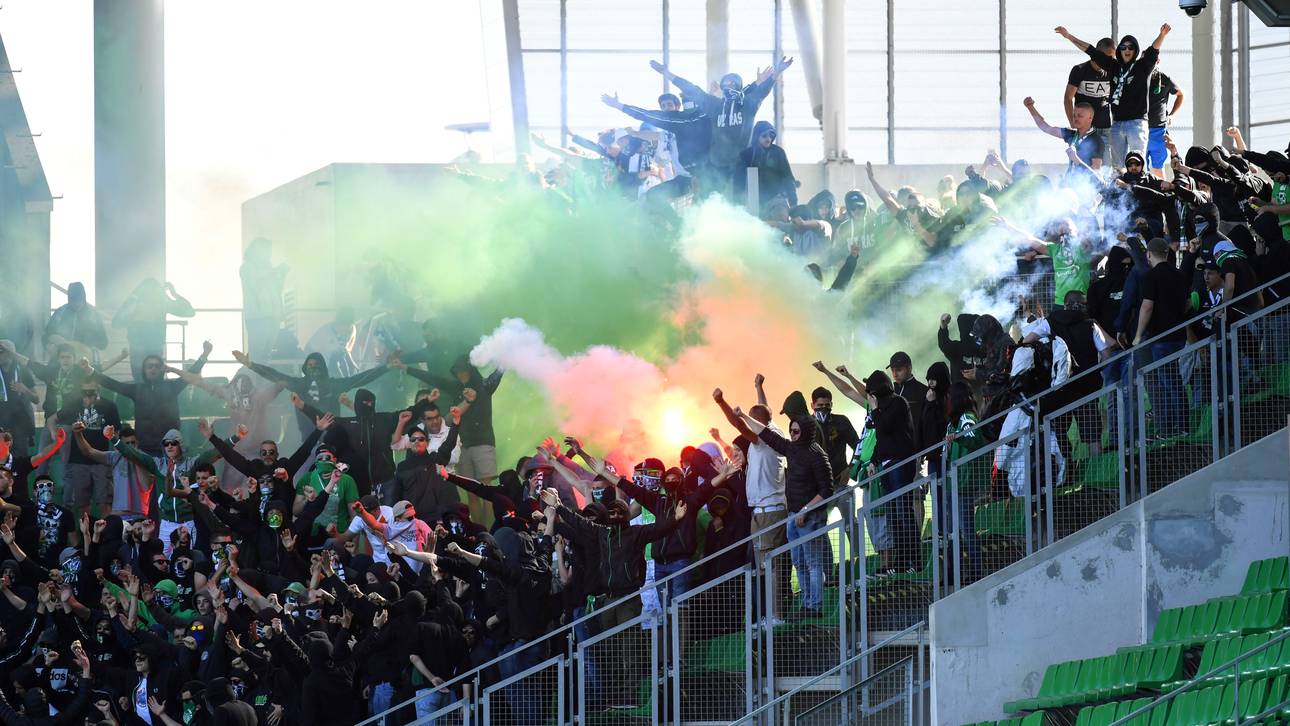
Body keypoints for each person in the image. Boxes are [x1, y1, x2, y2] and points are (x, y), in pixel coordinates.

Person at [725, 390, 832, 618]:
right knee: (799, 562)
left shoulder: (817, 455)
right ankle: (806, 605)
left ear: (806, 431)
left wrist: (807, 509)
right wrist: (754, 395)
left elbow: (827, 490)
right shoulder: (789, 448)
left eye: (796, 431)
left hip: (807, 516)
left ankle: (814, 606)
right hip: (792, 514)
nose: (792, 434)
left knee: (812, 562)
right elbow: (765, 431)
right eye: (791, 430)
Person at [648, 56, 794, 197]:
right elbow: (690, 88)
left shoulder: (747, 105)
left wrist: (776, 72)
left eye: (732, 85)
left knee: (737, 203)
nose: (728, 88)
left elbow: (762, 91)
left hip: (739, 167)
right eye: (725, 85)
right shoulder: (715, 106)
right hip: (717, 167)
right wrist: (666, 73)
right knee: (704, 201)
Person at [1055, 24, 1172, 165]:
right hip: (1116, 124)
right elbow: (1090, 50)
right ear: (1119, 51)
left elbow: (1154, 50)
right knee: (1117, 167)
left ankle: (1139, 180)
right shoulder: (1113, 66)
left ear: (1135, 50)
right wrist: (1068, 36)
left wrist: (1162, 35)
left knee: (1138, 163)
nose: (1127, 50)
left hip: (1136, 123)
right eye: (1124, 47)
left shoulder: (1142, 66)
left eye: (1131, 47)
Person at [232, 348, 392, 439]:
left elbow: (360, 379)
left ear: (323, 367)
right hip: (309, 436)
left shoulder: (334, 384)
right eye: (309, 365)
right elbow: (275, 375)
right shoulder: (299, 384)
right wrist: (250, 364)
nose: (313, 368)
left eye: (316, 365)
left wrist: (387, 367)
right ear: (305, 368)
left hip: (333, 434)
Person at [87, 343, 212, 457]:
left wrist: (204, 355)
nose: (153, 369)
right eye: (150, 366)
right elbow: (113, 385)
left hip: (170, 447)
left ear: (162, 369)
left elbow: (191, 373)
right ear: (144, 370)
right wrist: (90, 371)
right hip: (145, 448)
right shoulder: (137, 389)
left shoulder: (172, 386)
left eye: (157, 366)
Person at [1132, 238, 1191, 439]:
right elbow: (1187, 304)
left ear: (1149, 254)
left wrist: (1138, 335)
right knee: (1174, 380)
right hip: (1178, 335)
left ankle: (1175, 428)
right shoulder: (1180, 274)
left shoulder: (1151, 276)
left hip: (1161, 337)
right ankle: (1177, 426)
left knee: (1168, 383)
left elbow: (1147, 306)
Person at [49, 380, 121, 517]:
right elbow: (51, 419)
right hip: (79, 460)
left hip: (101, 459)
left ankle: (108, 530)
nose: (88, 396)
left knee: (105, 502)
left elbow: (116, 432)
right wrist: (54, 435)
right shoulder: (75, 404)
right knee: (82, 503)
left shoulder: (109, 406)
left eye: (91, 392)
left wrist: (116, 456)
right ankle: (86, 529)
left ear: (98, 389)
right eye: (84, 392)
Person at [112, 279, 196, 380]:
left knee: (142, 382)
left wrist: (132, 301)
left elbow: (116, 323)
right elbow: (189, 311)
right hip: (150, 349)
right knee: (153, 381)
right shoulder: (161, 303)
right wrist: (174, 294)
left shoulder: (138, 303)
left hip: (143, 349)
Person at [1022, 97, 1103, 181]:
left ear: (1090, 118)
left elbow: (1095, 173)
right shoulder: (1072, 134)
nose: (1076, 118)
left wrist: (1076, 160)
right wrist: (1030, 108)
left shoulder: (1096, 141)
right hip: (1070, 183)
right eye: (1074, 115)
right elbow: (1046, 128)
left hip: (1084, 186)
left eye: (1080, 116)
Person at [1065, 37, 1116, 167]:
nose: (1110, 61)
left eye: (1112, 58)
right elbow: (1068, 98)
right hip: (1085, 129)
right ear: (1098, 54)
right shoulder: (1080, 70)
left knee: (1105, 169)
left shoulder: (1111, 72)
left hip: (1105, 128)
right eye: (1108, 57)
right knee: (1081, 168)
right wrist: (1072, 122)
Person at [240, 237, 289, 360]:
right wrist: (275, 272)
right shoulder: (247, 267)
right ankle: (255, 372)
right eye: (266, 250)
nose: (268, 255)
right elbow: (255, 286)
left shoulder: (269, 269)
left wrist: (282, 275)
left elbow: (277, 290)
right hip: (258, 317)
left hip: (274, 316)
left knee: (267, 354)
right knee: (257, 354)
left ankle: (263, 372)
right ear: (256, 251)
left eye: (269, 251)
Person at [734, 121, 797, 209]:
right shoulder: (746, 155)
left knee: (781, 216)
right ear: (756, 136)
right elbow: (738, 181)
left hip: (776, 199)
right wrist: (737, 204)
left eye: (771, 135)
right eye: (764, 136)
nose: (768, 139)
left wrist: (793, 203)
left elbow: (788, 178)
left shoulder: (778, 153)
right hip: (752, 201)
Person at [43, 282, 108, 366]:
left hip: (86, 361)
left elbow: (104, 342)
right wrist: (49, 346)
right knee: (51, 370)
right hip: (62, 360)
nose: (77, 304)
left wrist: (89, 348)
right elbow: (46, 336)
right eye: (73, 300)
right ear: (69, 299)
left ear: (84, 298)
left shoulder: (93, 315)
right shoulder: (60, 312)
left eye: (80, 300)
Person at [1146, 70, 1184, 177]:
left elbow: (1180, 95)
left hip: (1159, 130)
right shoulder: (1136, 74)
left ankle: (1163, 188)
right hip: (1139, 128)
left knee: (1158, 167)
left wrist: (1171, 115)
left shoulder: (1163, 78)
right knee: (1140, 167)